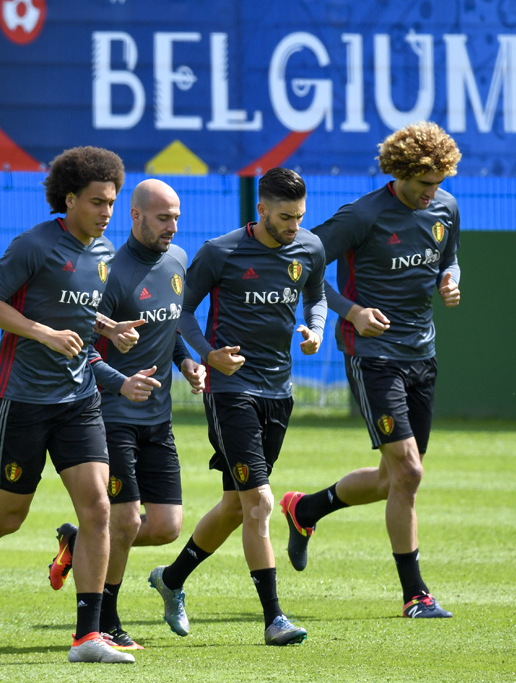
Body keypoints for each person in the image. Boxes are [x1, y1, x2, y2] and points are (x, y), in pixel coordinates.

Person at [0, 146, 154, 665]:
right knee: (7, 515)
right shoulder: (34, 245)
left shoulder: (104, 254)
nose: (107, 211)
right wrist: (44, 333)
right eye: (97, 201)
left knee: (99, 509)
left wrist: (108, 329)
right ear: (69, 200)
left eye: (112, 201)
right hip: (23, 398)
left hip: (78, 399)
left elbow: (76, 312)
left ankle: (88, 636)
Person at [280, 121, 462, 620]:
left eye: (439, 184)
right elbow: (301, 267)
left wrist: (450, 280)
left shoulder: (445, 208)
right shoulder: (362, 215)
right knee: (409, 471)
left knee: (392, 479)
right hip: (374, 355)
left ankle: (306, 509)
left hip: (422, 355)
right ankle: (416, 595)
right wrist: (351, 311)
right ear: (401, 173)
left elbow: (451, 259)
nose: (433, 194)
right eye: (425, 184)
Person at [146, 167, 326, 646]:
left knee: (233, 505)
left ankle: (172, 578)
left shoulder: (309, 248)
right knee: (260, 502)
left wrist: (316, 329)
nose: (294, 226)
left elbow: (317, 295)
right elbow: (180, 313)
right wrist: (208, 356)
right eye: (285, 217)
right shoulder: (219, 252)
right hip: (231, 392)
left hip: (279, 393)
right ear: (261, 209)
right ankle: (274, 619)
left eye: (300, 216)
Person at [45, 178, 206, 651]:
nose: (172, 226)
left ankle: (80, 545)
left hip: (159, 418)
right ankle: (108, 620)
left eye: (176, 216)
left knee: (166, 526)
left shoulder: (177, 262)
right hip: (111, 416)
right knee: (126, 521)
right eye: (162, 217)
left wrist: (189, 363)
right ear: (135, 217)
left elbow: (172, 329)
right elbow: (84, 352)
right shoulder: (109, 271)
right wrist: (121, 381)